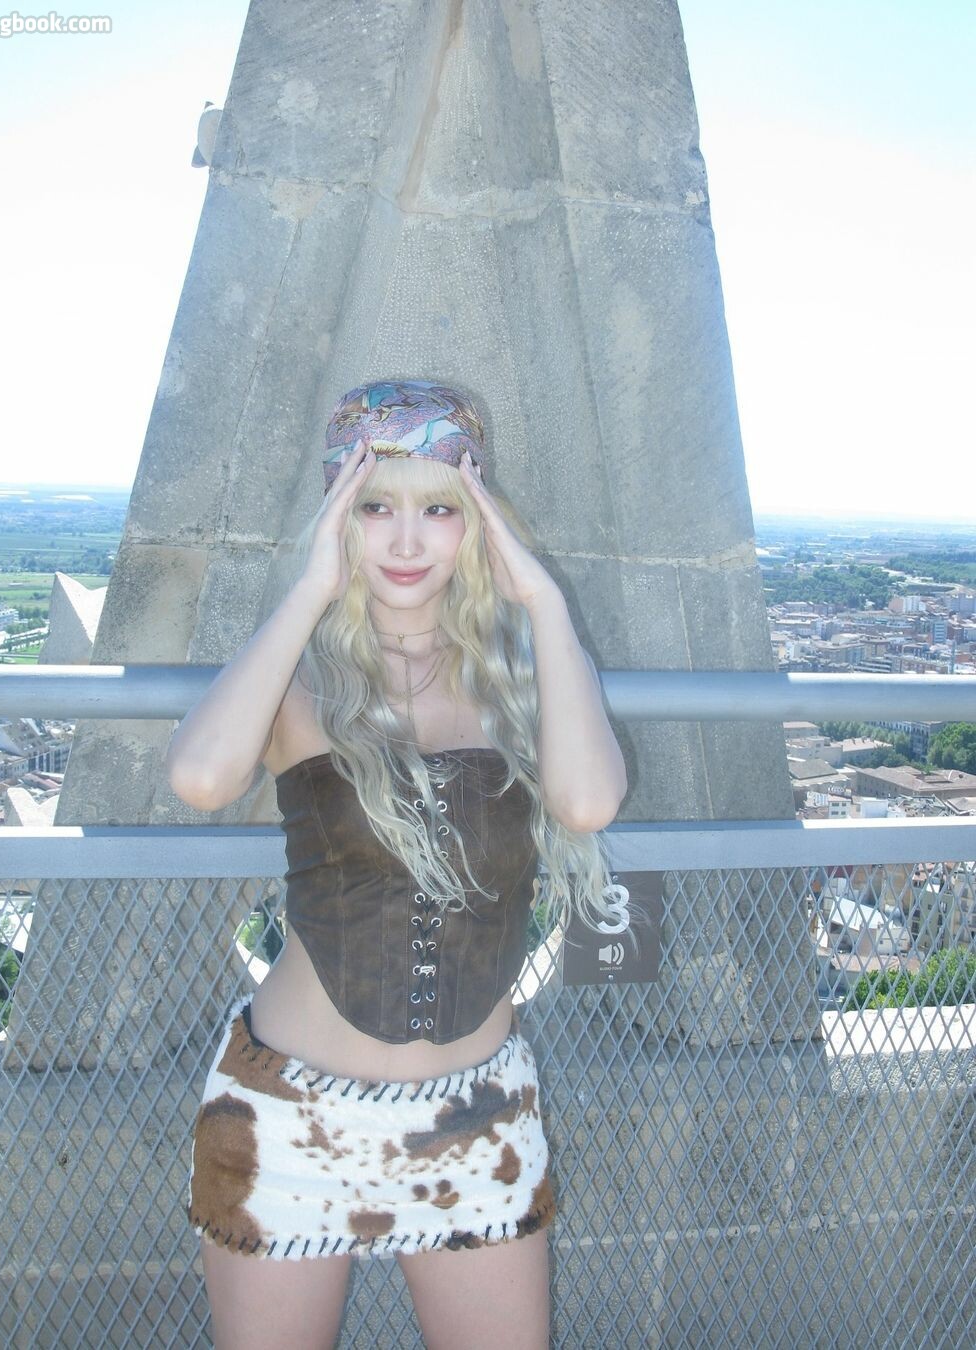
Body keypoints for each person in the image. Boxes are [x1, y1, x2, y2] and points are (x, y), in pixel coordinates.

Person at [167, 380, 627, 1350]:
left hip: (477, 1117)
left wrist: (543, 600)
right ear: (339, 516)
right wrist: (309, 592)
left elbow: (588, 803)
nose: (407, 541)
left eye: (440, 509)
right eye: (375, 506)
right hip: (284, 1115)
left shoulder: (528, 673)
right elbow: (201, 777)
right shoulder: (301, 677)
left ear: (479, 522)